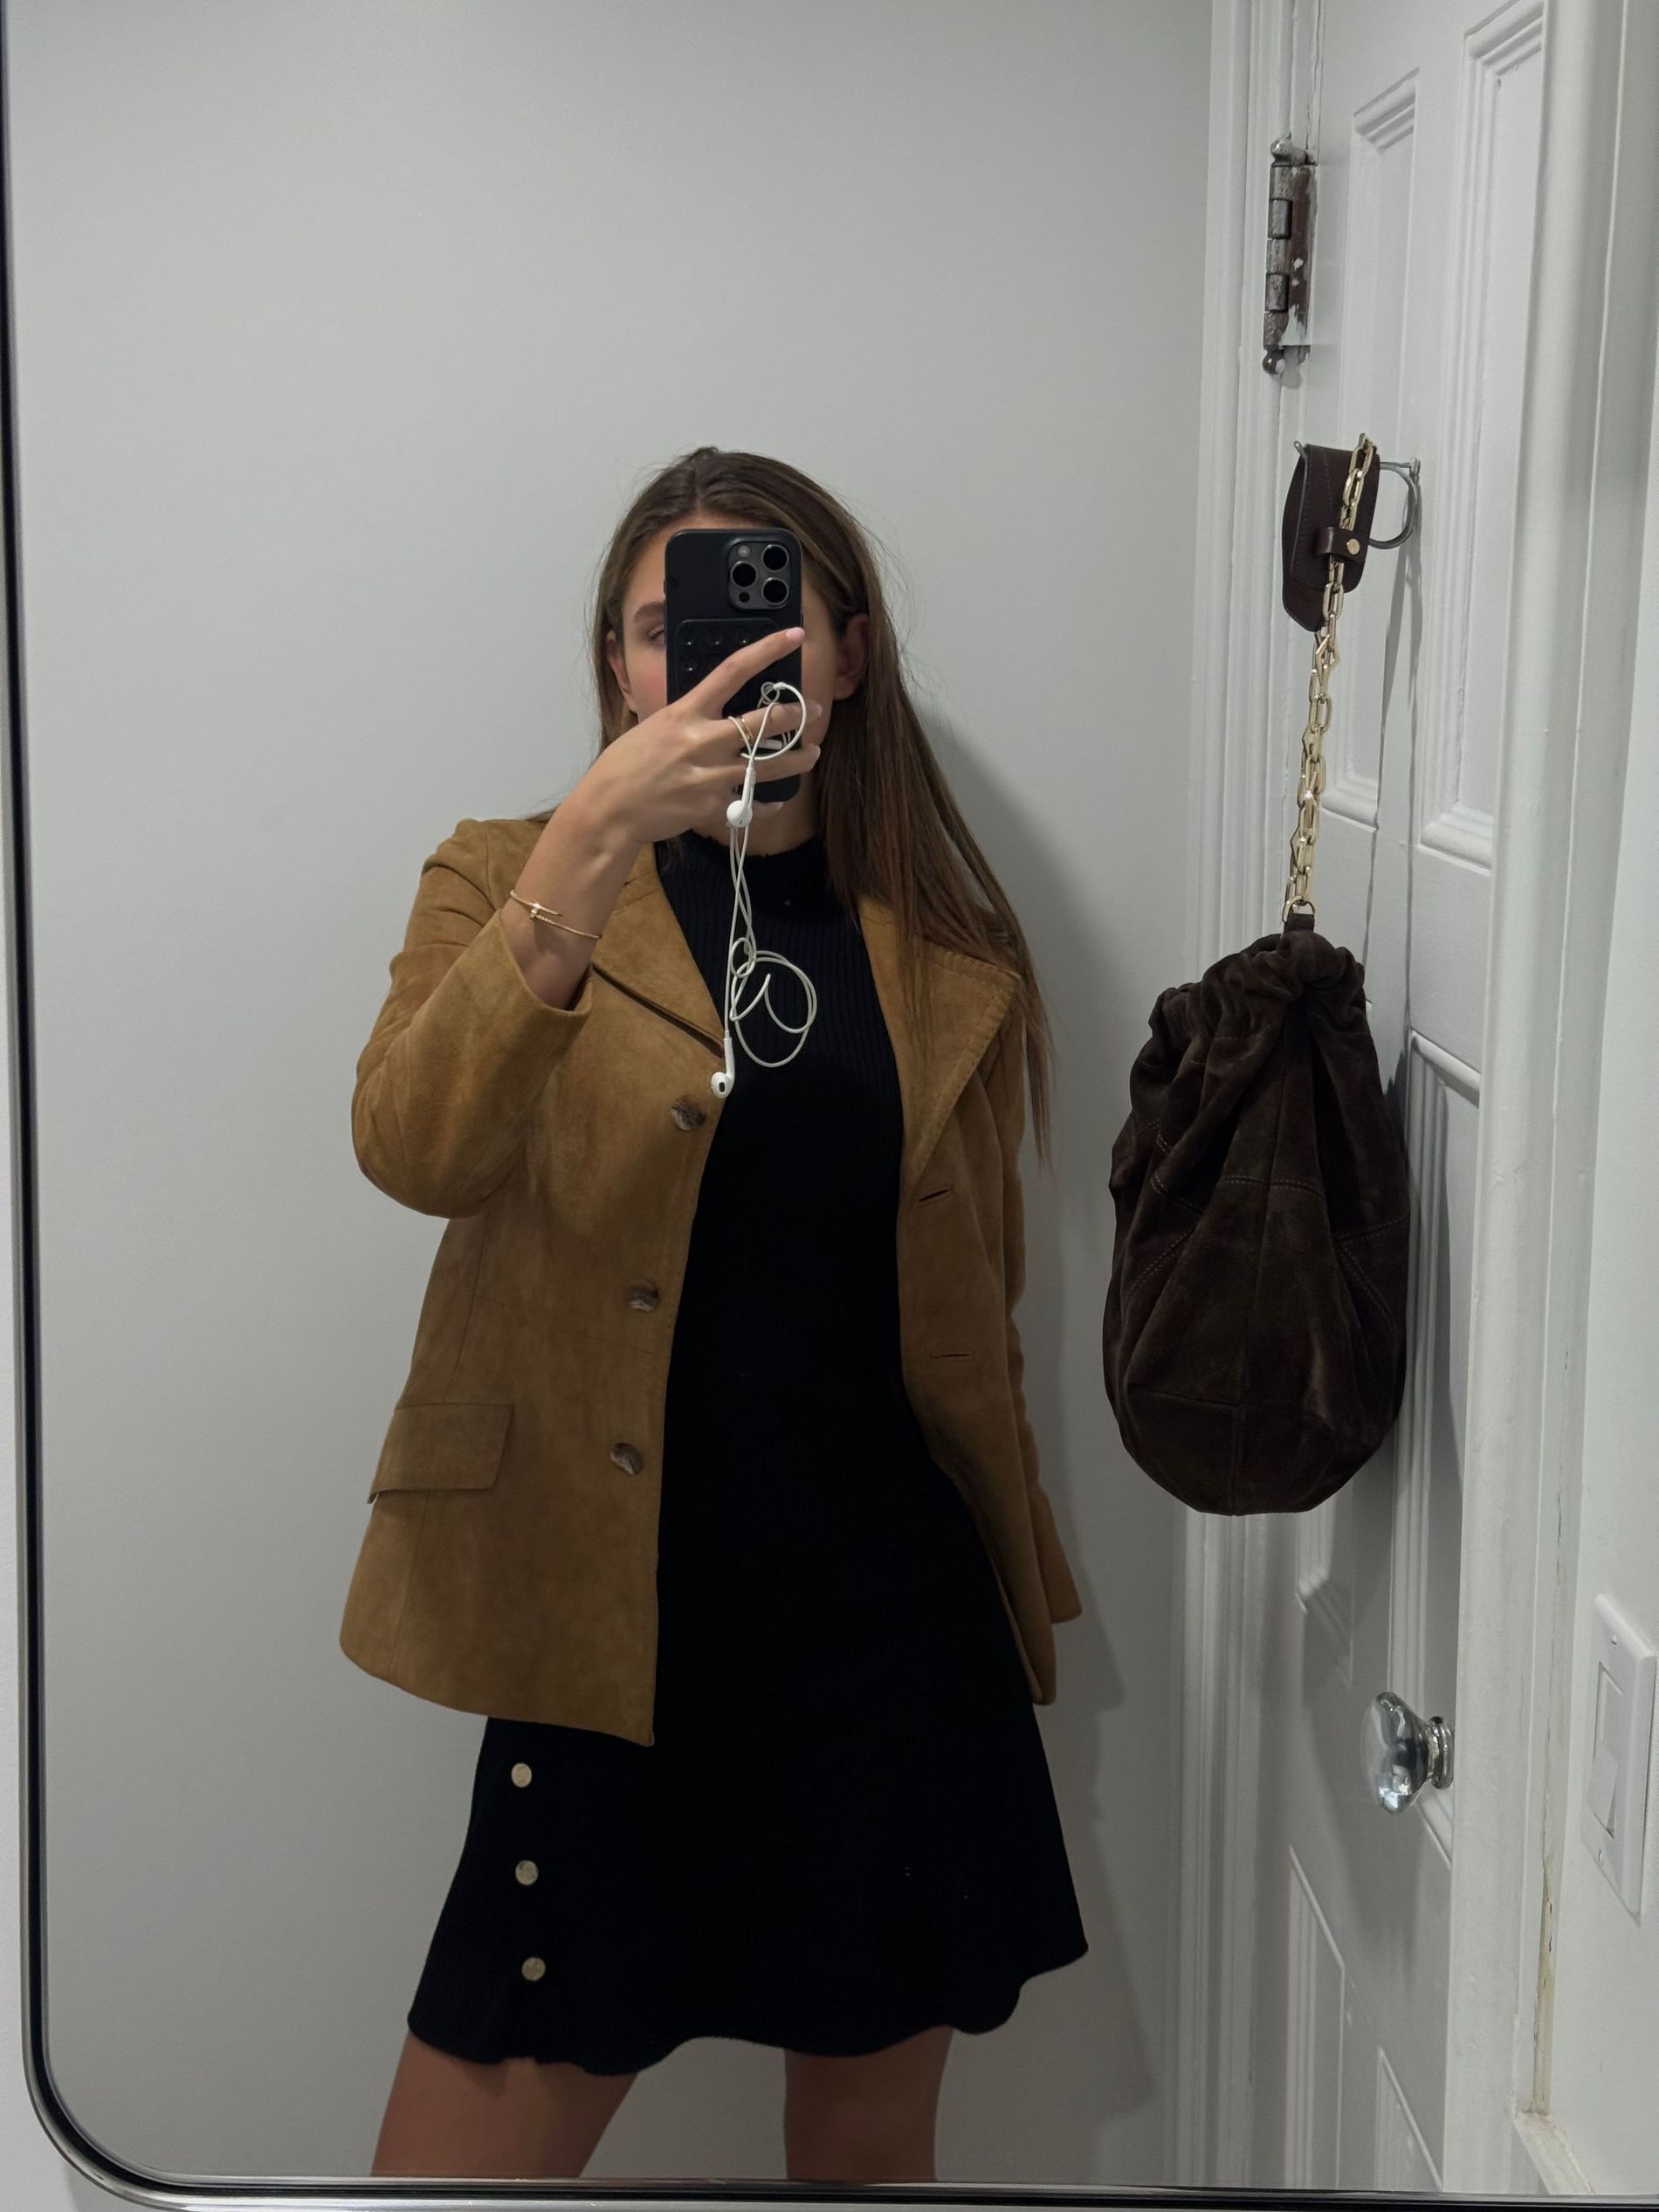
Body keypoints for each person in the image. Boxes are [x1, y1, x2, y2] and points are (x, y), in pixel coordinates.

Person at [359, 446, 1087, 2183]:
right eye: (657, 627)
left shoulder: (950, 950)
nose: (715, 654)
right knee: (455, 2168)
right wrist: (595, 838)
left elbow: (971, 1307)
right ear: (619, 670)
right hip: (606, 1635)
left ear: (849, 652)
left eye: (774, 613)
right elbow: (415, 1145)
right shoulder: (505, 879)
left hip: (886, 1638)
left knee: (866, 2156)